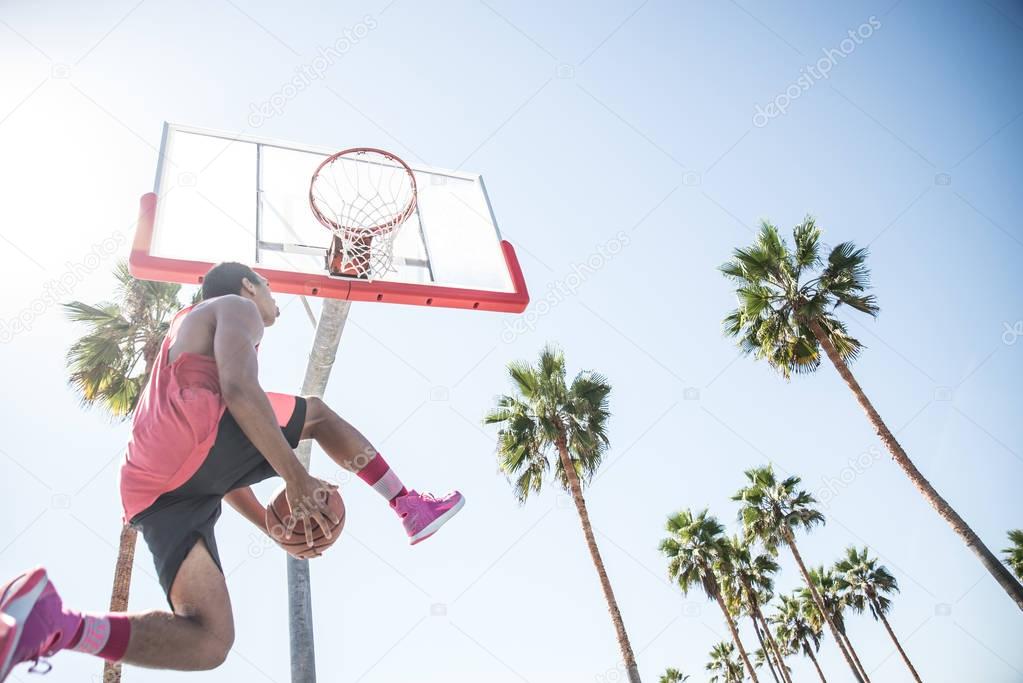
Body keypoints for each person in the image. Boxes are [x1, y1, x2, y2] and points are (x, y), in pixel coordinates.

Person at [0, 262, 464, 678]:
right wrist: (296, 480)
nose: (272, 296)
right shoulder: (234, 307)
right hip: (188, 440)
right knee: (317, 416)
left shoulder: (186, 337)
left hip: (150, 488)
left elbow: (215, 469)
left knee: (210, 640)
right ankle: (407, 504)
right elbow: (240, 391)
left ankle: (55, 625)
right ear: (249, 286)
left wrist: (268, 522)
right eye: (267, 286)